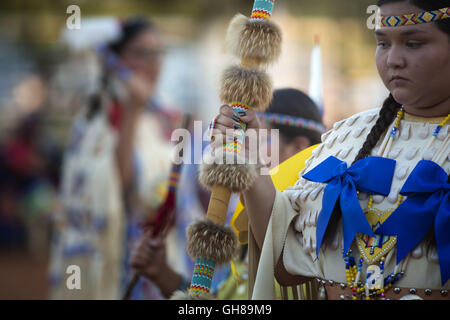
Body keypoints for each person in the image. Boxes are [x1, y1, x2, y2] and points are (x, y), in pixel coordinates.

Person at [211, 0, 450, 300]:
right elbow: (287, 261)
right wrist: (252, 161)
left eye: (413, 43)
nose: (393, 60)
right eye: (382, 43)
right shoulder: (348, 136)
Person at [129, 88, 326, 299]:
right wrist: (162, 274)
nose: (245, 145)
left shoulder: (315, 232)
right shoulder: (247, 224)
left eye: (261, 137)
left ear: (297, 147)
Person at [49, 16, 179, 300]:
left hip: (158, 261)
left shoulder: (165, 117)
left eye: (158, 53)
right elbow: (117, 191)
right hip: (115, 259)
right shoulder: (95, 121)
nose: (153, 62)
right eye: (141, 53)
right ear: (116, 61)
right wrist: (132, 111)